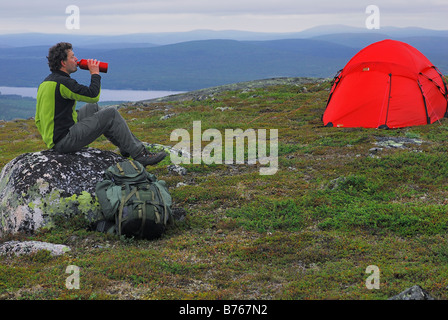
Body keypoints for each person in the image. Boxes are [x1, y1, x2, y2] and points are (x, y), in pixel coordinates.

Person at [35, 42, 167, 166]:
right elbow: (93, 95)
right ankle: (140, 154)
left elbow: (38, 119)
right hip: (65, 141)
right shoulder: (64, 83)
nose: (76, 59)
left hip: (57, 138)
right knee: (110, 114)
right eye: (72, 57)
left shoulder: (46, 83)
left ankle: (125, 146)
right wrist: (95, 73)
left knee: (93, 108)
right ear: (63, 63)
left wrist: (51, 140)